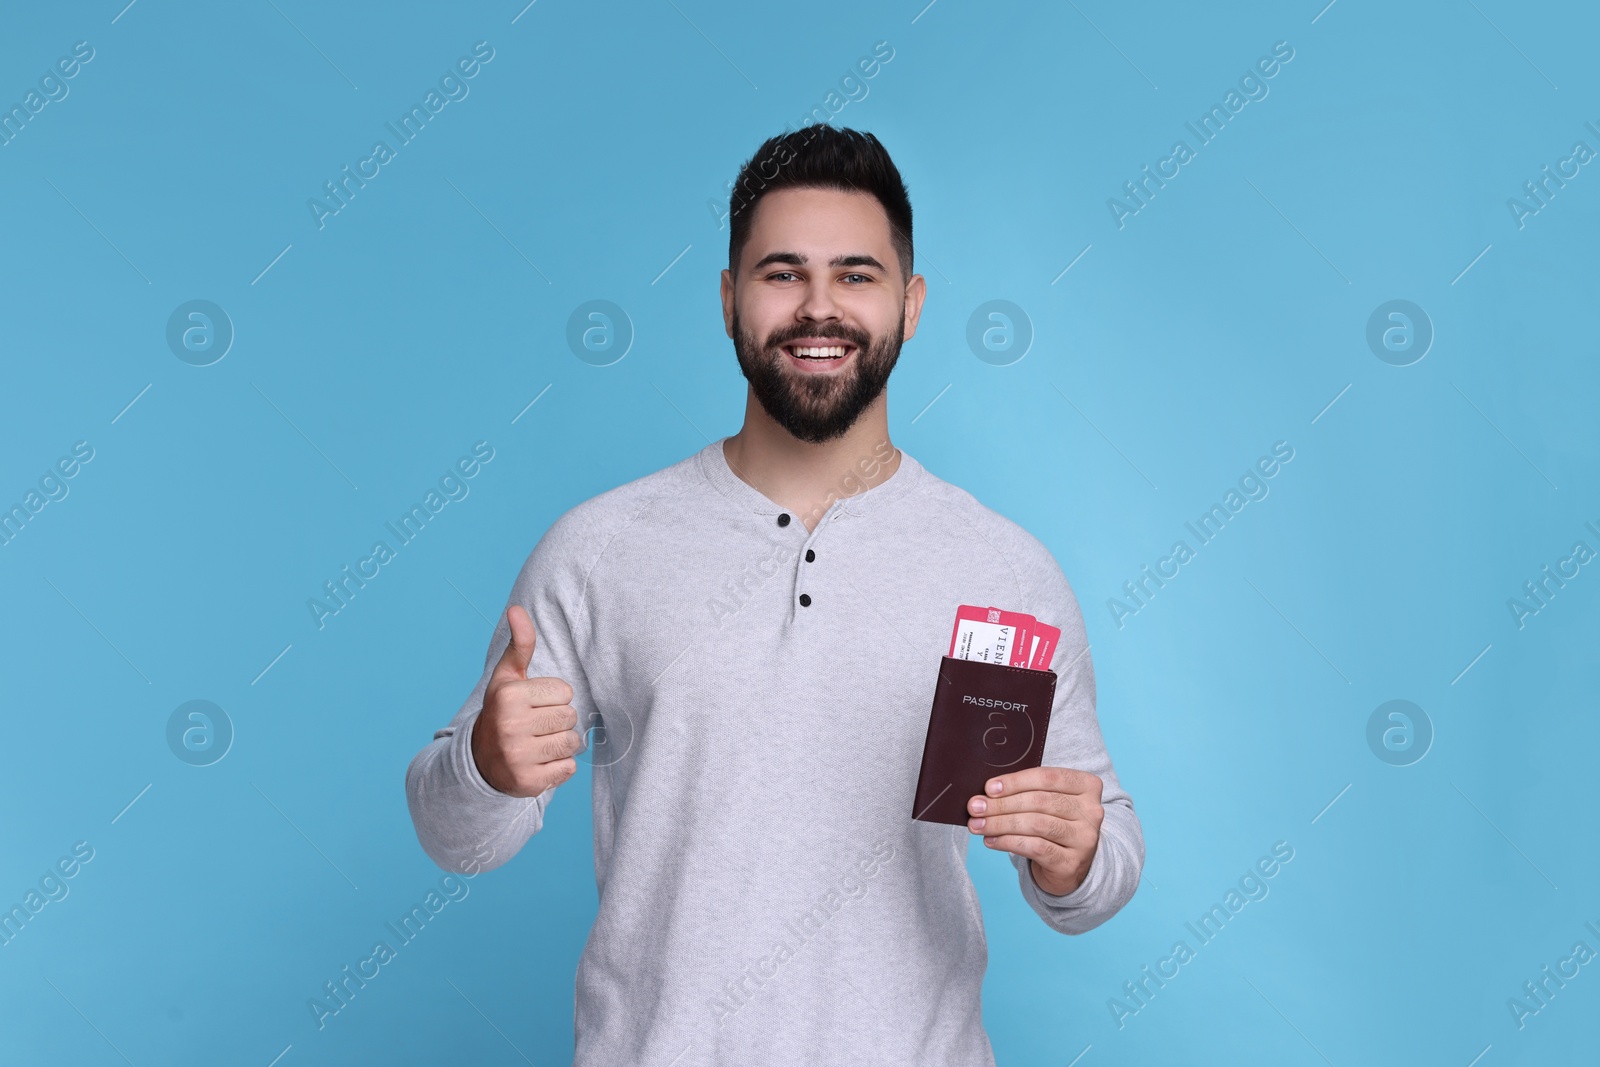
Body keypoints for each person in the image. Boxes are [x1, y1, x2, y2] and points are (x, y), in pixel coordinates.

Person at [405, 125, 1143, 1065]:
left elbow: (1103, 862)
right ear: (727, 299)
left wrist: (1073, 854)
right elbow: (455, 839)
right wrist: (483, 764)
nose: (819, 308)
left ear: (912, 305)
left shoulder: (1004, 568)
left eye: (858, 275)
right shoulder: (599, 547)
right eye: (783, 273)